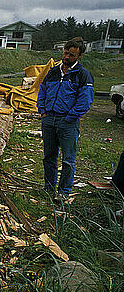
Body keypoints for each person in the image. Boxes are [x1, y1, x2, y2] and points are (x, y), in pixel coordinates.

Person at [37, 37, 94, 201]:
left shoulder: (83, 75)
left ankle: (63, 192)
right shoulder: (53, 72)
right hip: (49, 119)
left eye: (72, 55)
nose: (67, 57)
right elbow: (42, 91)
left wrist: (70, 117)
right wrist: (43, 111)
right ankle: (48, 187)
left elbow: (85, 101)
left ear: (79, 56)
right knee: (49, 157)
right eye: (66, 53)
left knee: (68, 159)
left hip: (67, 123)